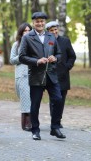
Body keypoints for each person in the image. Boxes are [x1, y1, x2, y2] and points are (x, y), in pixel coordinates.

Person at [19, 12, 65, 141]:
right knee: (35, 105)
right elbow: (22, 57)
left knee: (58, 99)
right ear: (33, 23)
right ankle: (35, 130)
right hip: (36, 76)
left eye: (42, 21)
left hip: (51, 75)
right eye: (37, 21)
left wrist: (55, 58)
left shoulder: (51, 36)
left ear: (45, 22)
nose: (40, 23)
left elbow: (59, 54)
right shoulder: (27, 37)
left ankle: (55, 127)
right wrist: (36, 61)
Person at [46, 21, 76, 128]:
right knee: (53, 99)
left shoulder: (65, 41)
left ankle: (58, 120)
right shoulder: (46, 42)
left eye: (55, 29)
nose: (54, 32)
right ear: (48, 31)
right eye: (51, 30)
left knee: (61, 100)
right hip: (51, 76)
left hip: (63, 76)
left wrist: (67, 67)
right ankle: (54, 122)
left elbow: (72, 56)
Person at [10, 23, 32, 131]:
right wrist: (22, 56)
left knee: (34, 98)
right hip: (22, 75)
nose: (27, 33)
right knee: (24, 98)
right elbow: (12, 60)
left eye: (29, 30)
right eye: (25, 31)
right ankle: (26, 122)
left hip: (34, 74)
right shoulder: (16, 45)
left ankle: (32, 121)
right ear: (21, 32)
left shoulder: (35, 44)